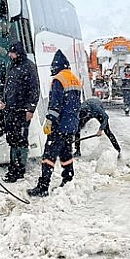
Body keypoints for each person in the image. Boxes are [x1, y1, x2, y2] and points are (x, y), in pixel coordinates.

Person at [27, 50, 82, 197]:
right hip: (71, 125)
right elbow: (77, 104)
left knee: (48, 156)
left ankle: (43, 187)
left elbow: (55, 104)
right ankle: (68, 179)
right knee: (66, 152)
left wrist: (49, 121)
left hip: (60, 125)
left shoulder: (58, 79)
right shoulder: (74, 79)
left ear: (55, 67)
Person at [0, 41, 40, 183]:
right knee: (12, 139)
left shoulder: (29, 67)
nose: (9, 55)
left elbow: (34, 89)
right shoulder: (12, 66)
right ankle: (13, 167)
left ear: (18, 52)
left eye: (12, 52)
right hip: (10, 110)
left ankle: (20, 169)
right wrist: (3, 100)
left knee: (21, 140)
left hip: (22, 111)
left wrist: (30, 108)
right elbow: (7, 87)